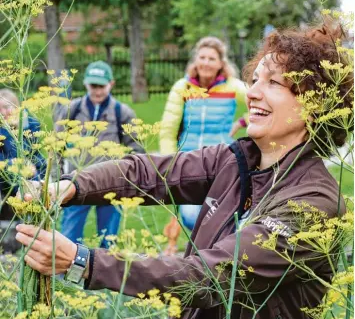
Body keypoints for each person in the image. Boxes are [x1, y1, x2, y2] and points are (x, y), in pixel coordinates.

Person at [16, 21, 352, 318]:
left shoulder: (312, 203)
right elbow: (147, 174)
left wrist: (82, 262)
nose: (251, 93)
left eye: (273, 83)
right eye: (254, 79)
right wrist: (69, 185)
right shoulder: (236, 160)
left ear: (316, 103)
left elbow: (209, 277)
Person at [159, 37, 248, 253]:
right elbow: (168, 130)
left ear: (220, 63)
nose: (206, 63)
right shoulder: (183, 87)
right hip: (189, 164)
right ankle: (209, 253)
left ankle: (214, 257)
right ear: (195, 60)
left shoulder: (232, 86)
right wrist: (171, 163)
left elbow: (259, 104)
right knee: (191, 218)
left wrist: (241, 123)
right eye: (202, 57)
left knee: (225, 216)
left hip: (223, 164)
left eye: (212, 58)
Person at [54, 61, 144, 249]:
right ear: (86, 84)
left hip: (110, 184)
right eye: (93, 86)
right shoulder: (72, 110)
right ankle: (64, 276)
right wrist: (58, 178)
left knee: (108, 238)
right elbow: (56, 148)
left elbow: (137, 150)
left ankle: (102, 276)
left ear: (111, 84)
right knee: (69, 235)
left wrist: (125, 178)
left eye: (101, 86)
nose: (97, 91)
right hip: (75, 183)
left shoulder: (122, 113)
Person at [0, 89, 46, 253]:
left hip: (32, 182)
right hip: (8, 185)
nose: (4, 112)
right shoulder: (2, 133)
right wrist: (16, 165)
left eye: (7, 107)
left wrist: (40, 176)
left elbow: (39, 158)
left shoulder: (29, 130)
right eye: (0, 109)